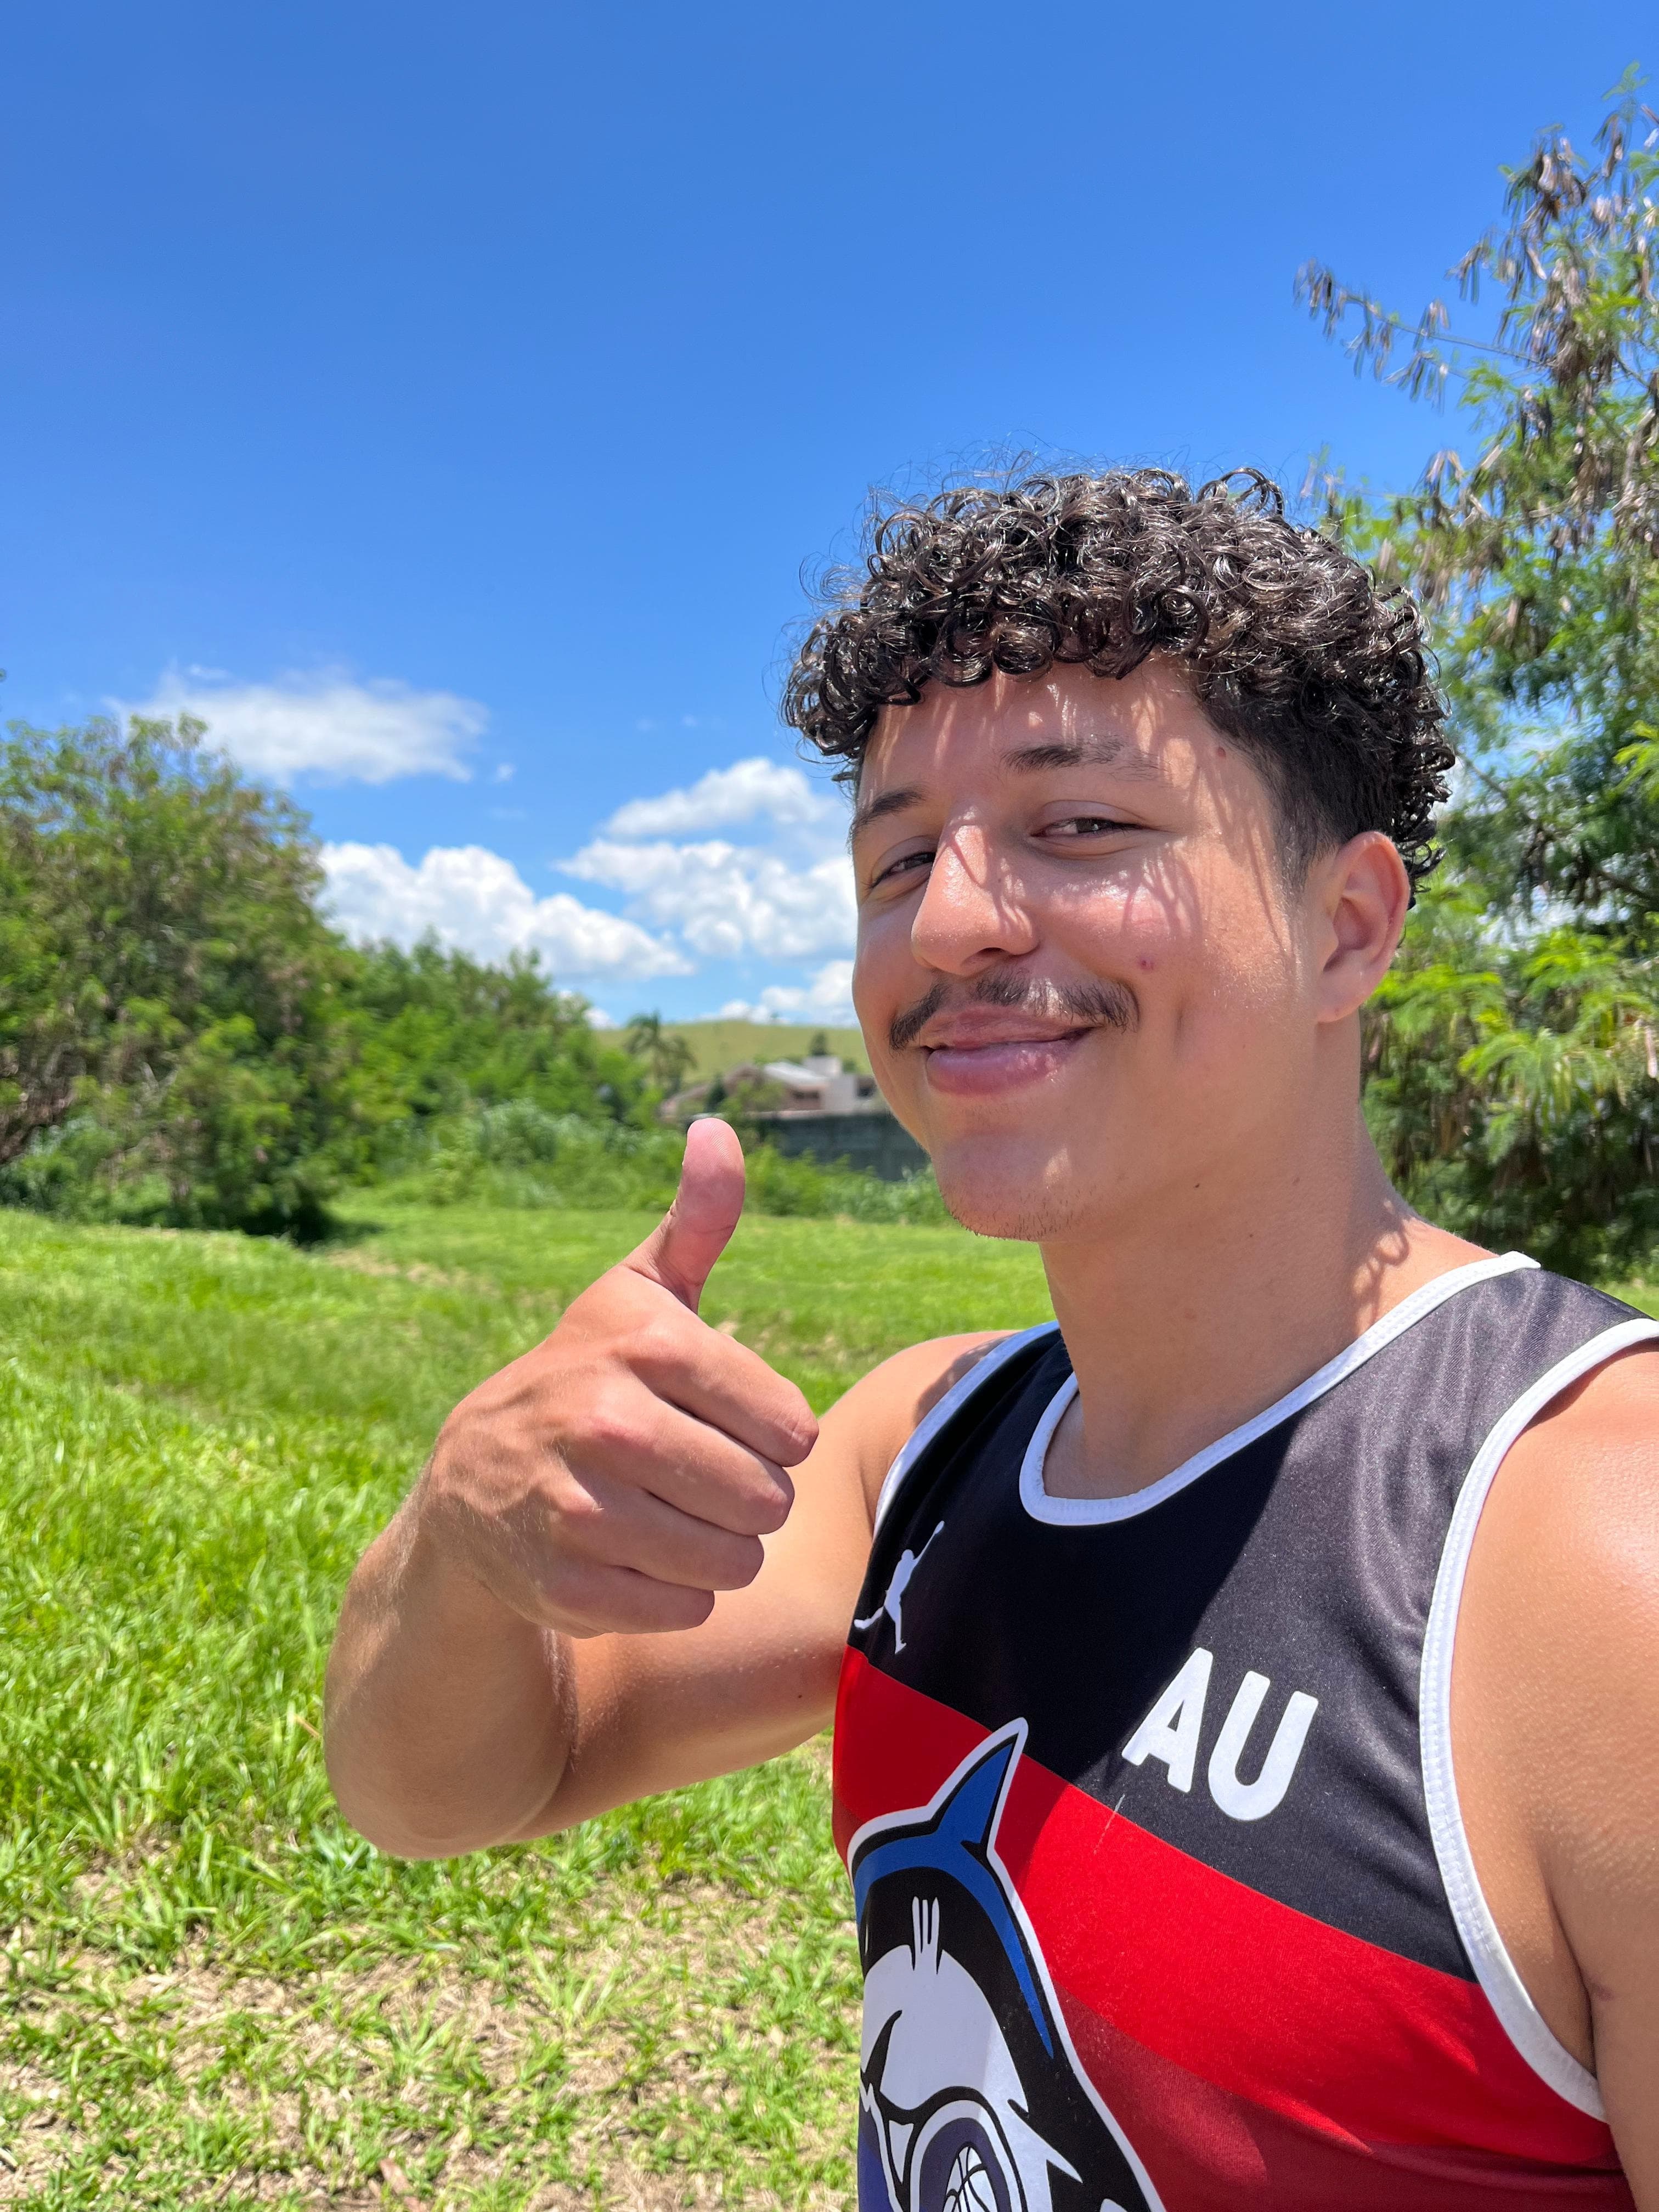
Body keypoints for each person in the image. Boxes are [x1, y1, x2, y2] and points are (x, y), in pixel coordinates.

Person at [325, 470, 1659, 2209]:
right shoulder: (924, 1443)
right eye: (897, 860)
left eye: (1080, 825)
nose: (951, 921)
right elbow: (449, 1790)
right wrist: (466, 1538)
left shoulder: (1588, 1563)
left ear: (1346, 928)